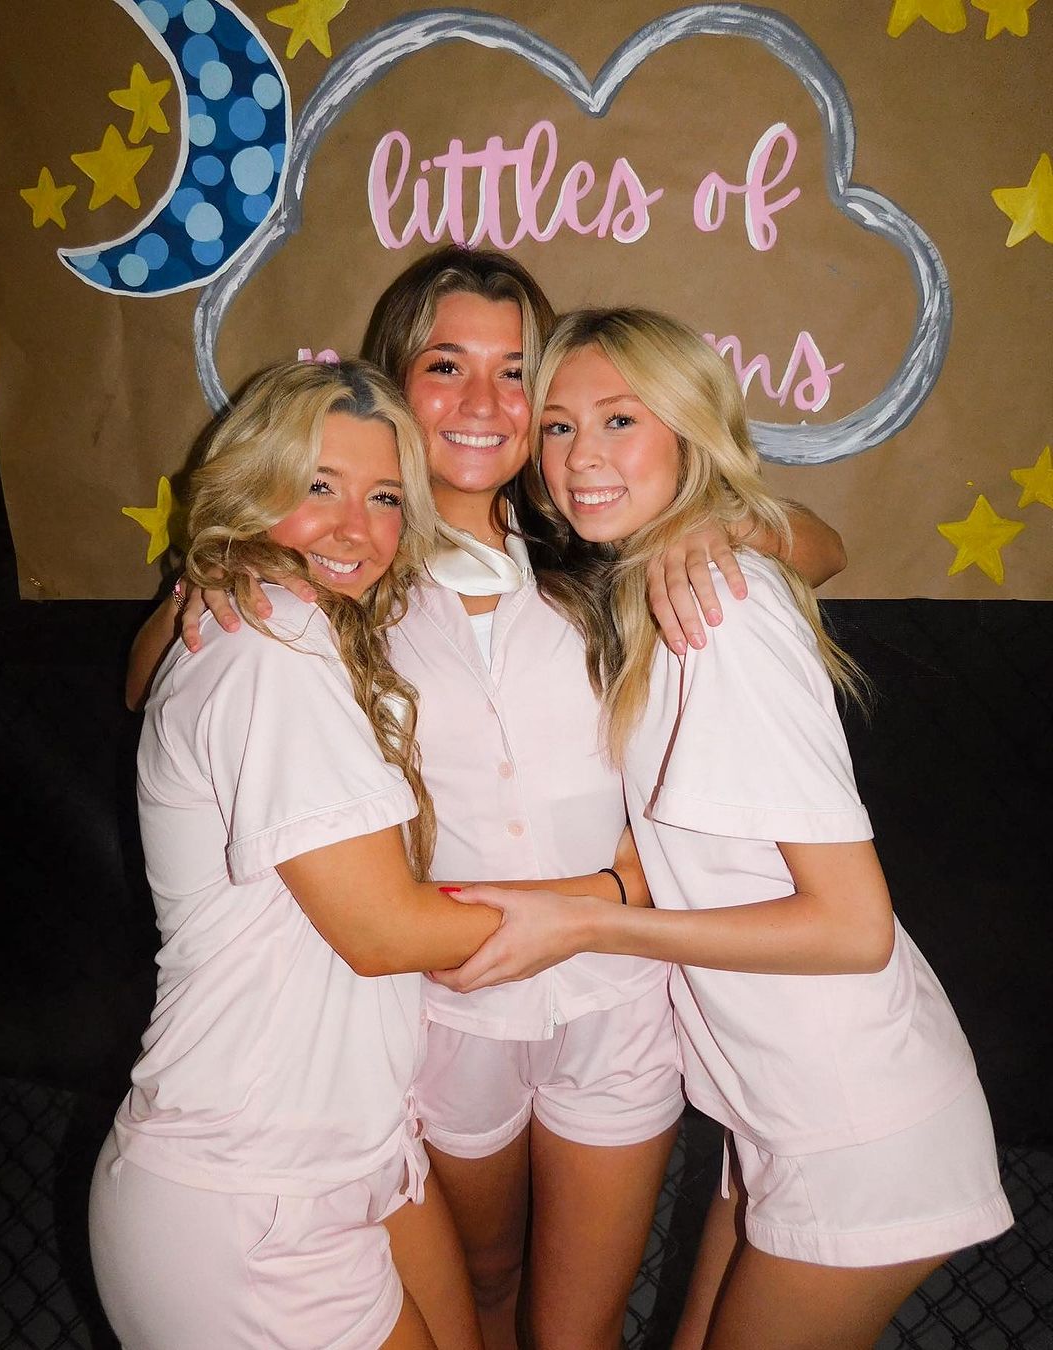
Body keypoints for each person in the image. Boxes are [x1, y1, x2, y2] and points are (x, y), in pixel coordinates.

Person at [124, 246, 848, 1350]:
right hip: (449, 1004)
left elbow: (824, 548)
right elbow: (149, 681)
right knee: (487, 1283)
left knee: (579, 1323)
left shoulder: (597, 534)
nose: (482, 402)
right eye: (445, 366)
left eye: (515, 372)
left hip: (619, 997)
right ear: (395, 380)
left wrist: (722, 521)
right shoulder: (347, 558)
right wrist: (215, 571)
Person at [432, 307, 1015, 1350]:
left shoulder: (725, 615)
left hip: (855, 1127)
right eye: (559, 426)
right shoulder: (654, 590)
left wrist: (586, 925)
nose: (580, 456)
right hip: (776, 1110)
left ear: (691, 431)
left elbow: (852, 929)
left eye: (621, 420)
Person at [89, 357, 510, 1350]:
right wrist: (626, 897)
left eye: (385, 498)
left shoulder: (298, 624)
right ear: (254, 487)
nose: (355, 528)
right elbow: (384, 933)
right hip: (246, 1196)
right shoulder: (268, 643)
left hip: (351, 1152)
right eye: (318, 486)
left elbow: (140, 683)